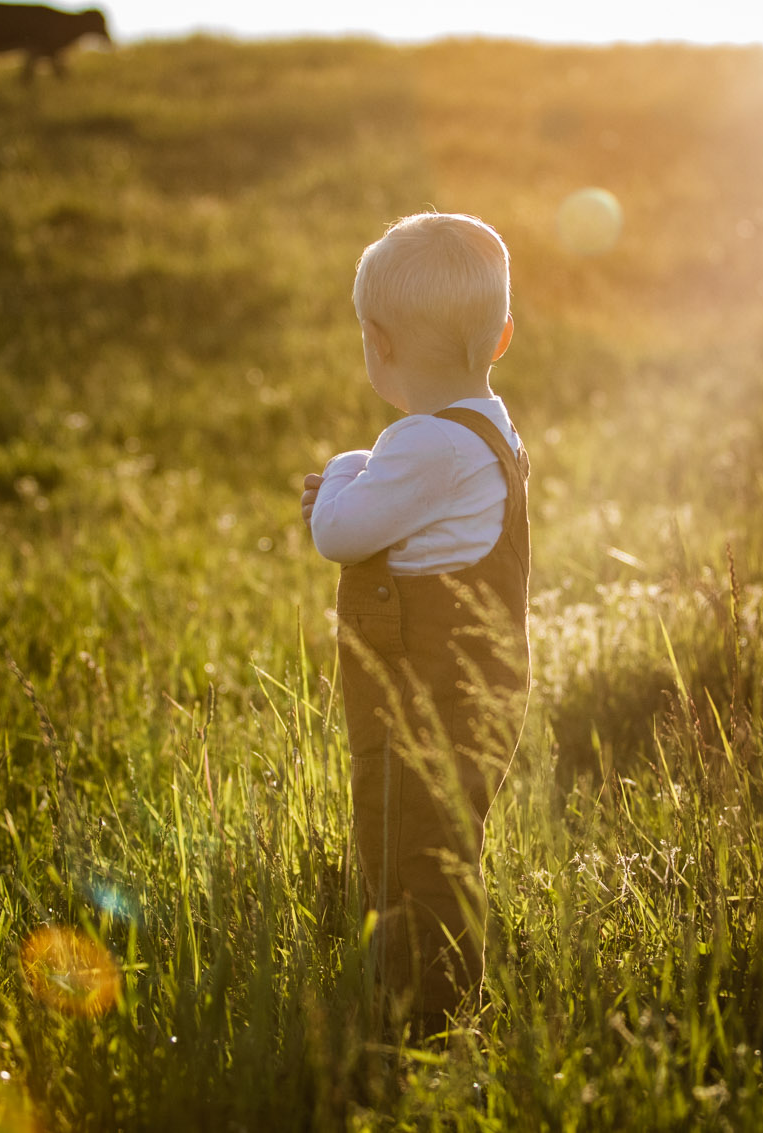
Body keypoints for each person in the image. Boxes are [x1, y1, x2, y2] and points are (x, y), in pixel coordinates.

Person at [300, 211, 531, 1036]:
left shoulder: (421, 444)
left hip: (419, 694)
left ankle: (426, 1019)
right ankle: (439, 994)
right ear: (499, 336)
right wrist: (364, 483)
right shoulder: (489, 431)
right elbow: (403, 517)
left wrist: (339, 473)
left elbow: (338, 531)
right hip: (482, 685)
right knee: (442, 840)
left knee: (408, 849)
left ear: (379, 341)